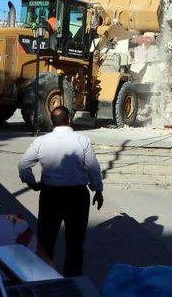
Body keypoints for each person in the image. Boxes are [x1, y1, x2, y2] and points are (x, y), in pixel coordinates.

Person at [18, 106, 104, 277]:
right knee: (75, 240)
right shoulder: (82, 140)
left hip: (51, 196)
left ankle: (44, 276)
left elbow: (23, 164)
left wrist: (32, 183)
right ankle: (73, 277)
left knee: (46, 239)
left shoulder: (41, 141)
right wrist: (98, 190)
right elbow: (93, 169)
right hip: (77, 196)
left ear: (52, 121)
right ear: (69, 120)